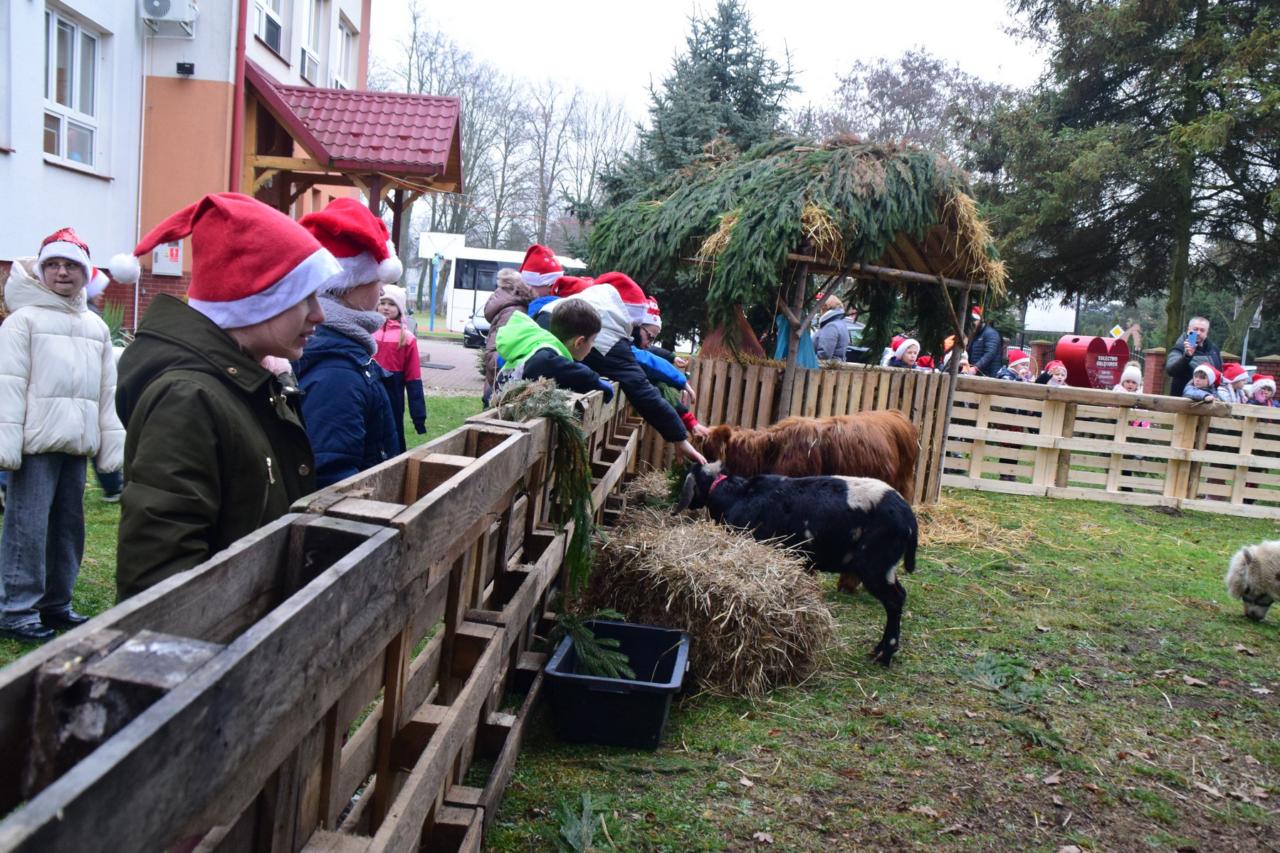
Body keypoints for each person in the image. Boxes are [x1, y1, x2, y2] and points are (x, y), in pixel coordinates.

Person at [110, 192, 337, 600]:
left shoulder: (249, 382)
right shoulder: (188, 398)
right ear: (256, 296)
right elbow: (159, 583)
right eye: (304, 295)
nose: (318, 314)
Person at [0, 229, 125, 641]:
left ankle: (55, 603)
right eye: (52, 264)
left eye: (70, 265)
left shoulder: (95, 328)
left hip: (76, 444)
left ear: (86, 272)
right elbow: (8, 384)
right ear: (40, 271)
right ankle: (17, 609)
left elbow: (106, 392)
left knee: (68, 529)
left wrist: (109, 447)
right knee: (28, 528)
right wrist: (6, 445)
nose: (61, 272)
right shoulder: (23, 322)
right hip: (35, 445)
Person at [294, 198, 403, 489]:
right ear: (350, 286)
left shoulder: (341, 349)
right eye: (376, 281)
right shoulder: (338, 375)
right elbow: (331, 479)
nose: (381, 290)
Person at [494, 299, 613, 399]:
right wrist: (593, 380)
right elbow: (548, 364)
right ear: (579, 342)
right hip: (505, 415)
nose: (593, 346)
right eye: (593, 340)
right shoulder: (547, 355)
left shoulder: (540, 346)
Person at [373, 284, 427, 452]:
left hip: (393, 396)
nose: (386, 307)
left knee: (393, 433)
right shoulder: (367, 333)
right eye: (382, 303)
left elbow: (413, 379)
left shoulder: (407, 338)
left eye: (391, 304)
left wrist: (418, 417)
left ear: (400, 308)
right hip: (370, 389)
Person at [481, 268, 536, 405]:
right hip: (500, 387)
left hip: (495, 383)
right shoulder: (513, 311)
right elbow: (496, 352)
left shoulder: (508, 305)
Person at [1164, 316, 1222, 396]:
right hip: (1183, 398)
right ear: (1189, 330)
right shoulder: (1180, 348)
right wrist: (1187, 356)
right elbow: (1171, 370)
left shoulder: (1214, 350)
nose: (1198, 333)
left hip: (1210, 398)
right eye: (1195, 329)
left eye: (1202, 330)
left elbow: (1220, 372)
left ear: (1207, 332)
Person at [966, 306, 1003, 377]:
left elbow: (990, 353)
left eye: (975, 320)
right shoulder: (976, 334)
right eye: (971, 321)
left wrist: (975, 368)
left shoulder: (991, 333)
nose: (972, 323)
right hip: (979, 374)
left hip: (989, 375)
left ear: (981, 320)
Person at [813, 294, 850, 361]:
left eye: (820, 307)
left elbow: (824, 354)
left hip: (824, 366)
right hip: (834, 365)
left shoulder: (831, 326)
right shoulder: (839, 323)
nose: (819, 310)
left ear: (825, 307)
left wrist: (809, 360)